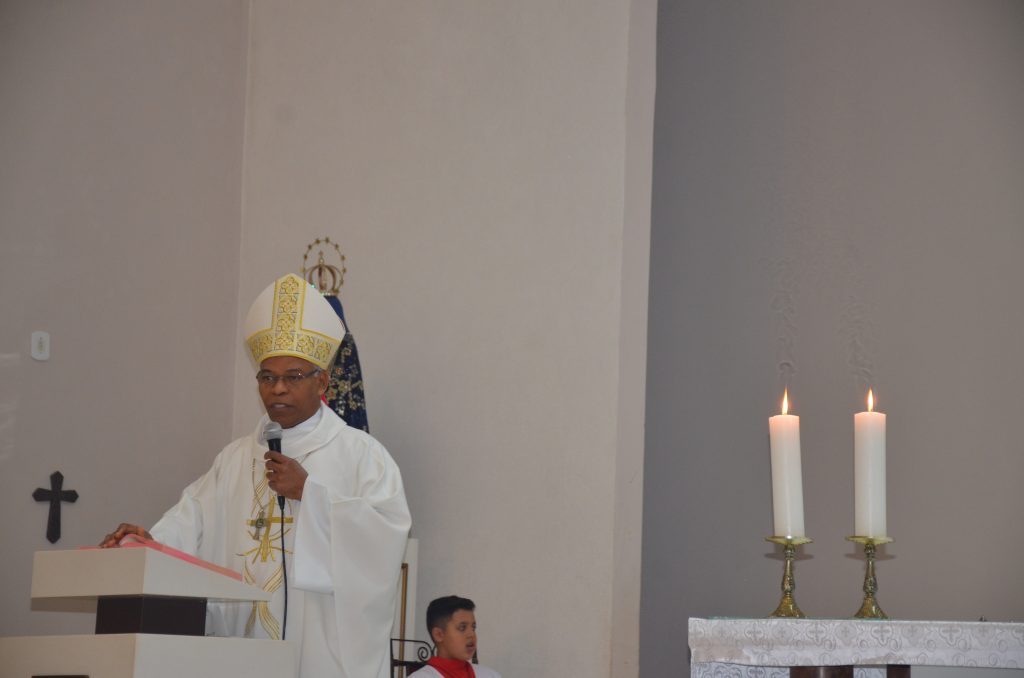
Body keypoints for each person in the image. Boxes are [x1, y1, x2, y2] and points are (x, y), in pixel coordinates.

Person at [99, 273, 411, 678]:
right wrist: (150, 543)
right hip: (239, 654)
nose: (277, 388)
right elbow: (192, 521)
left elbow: (385, 538)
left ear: (323, 382)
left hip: (319, 656)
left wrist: (310, 494)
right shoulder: (235, 459)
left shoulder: (362, 455)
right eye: (267, 377)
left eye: (293, 377)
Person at [411, 596, 501, 678]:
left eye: (473, 628)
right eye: (462, 628)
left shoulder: (491, 675)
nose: (471, 634)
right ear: (438, 634)